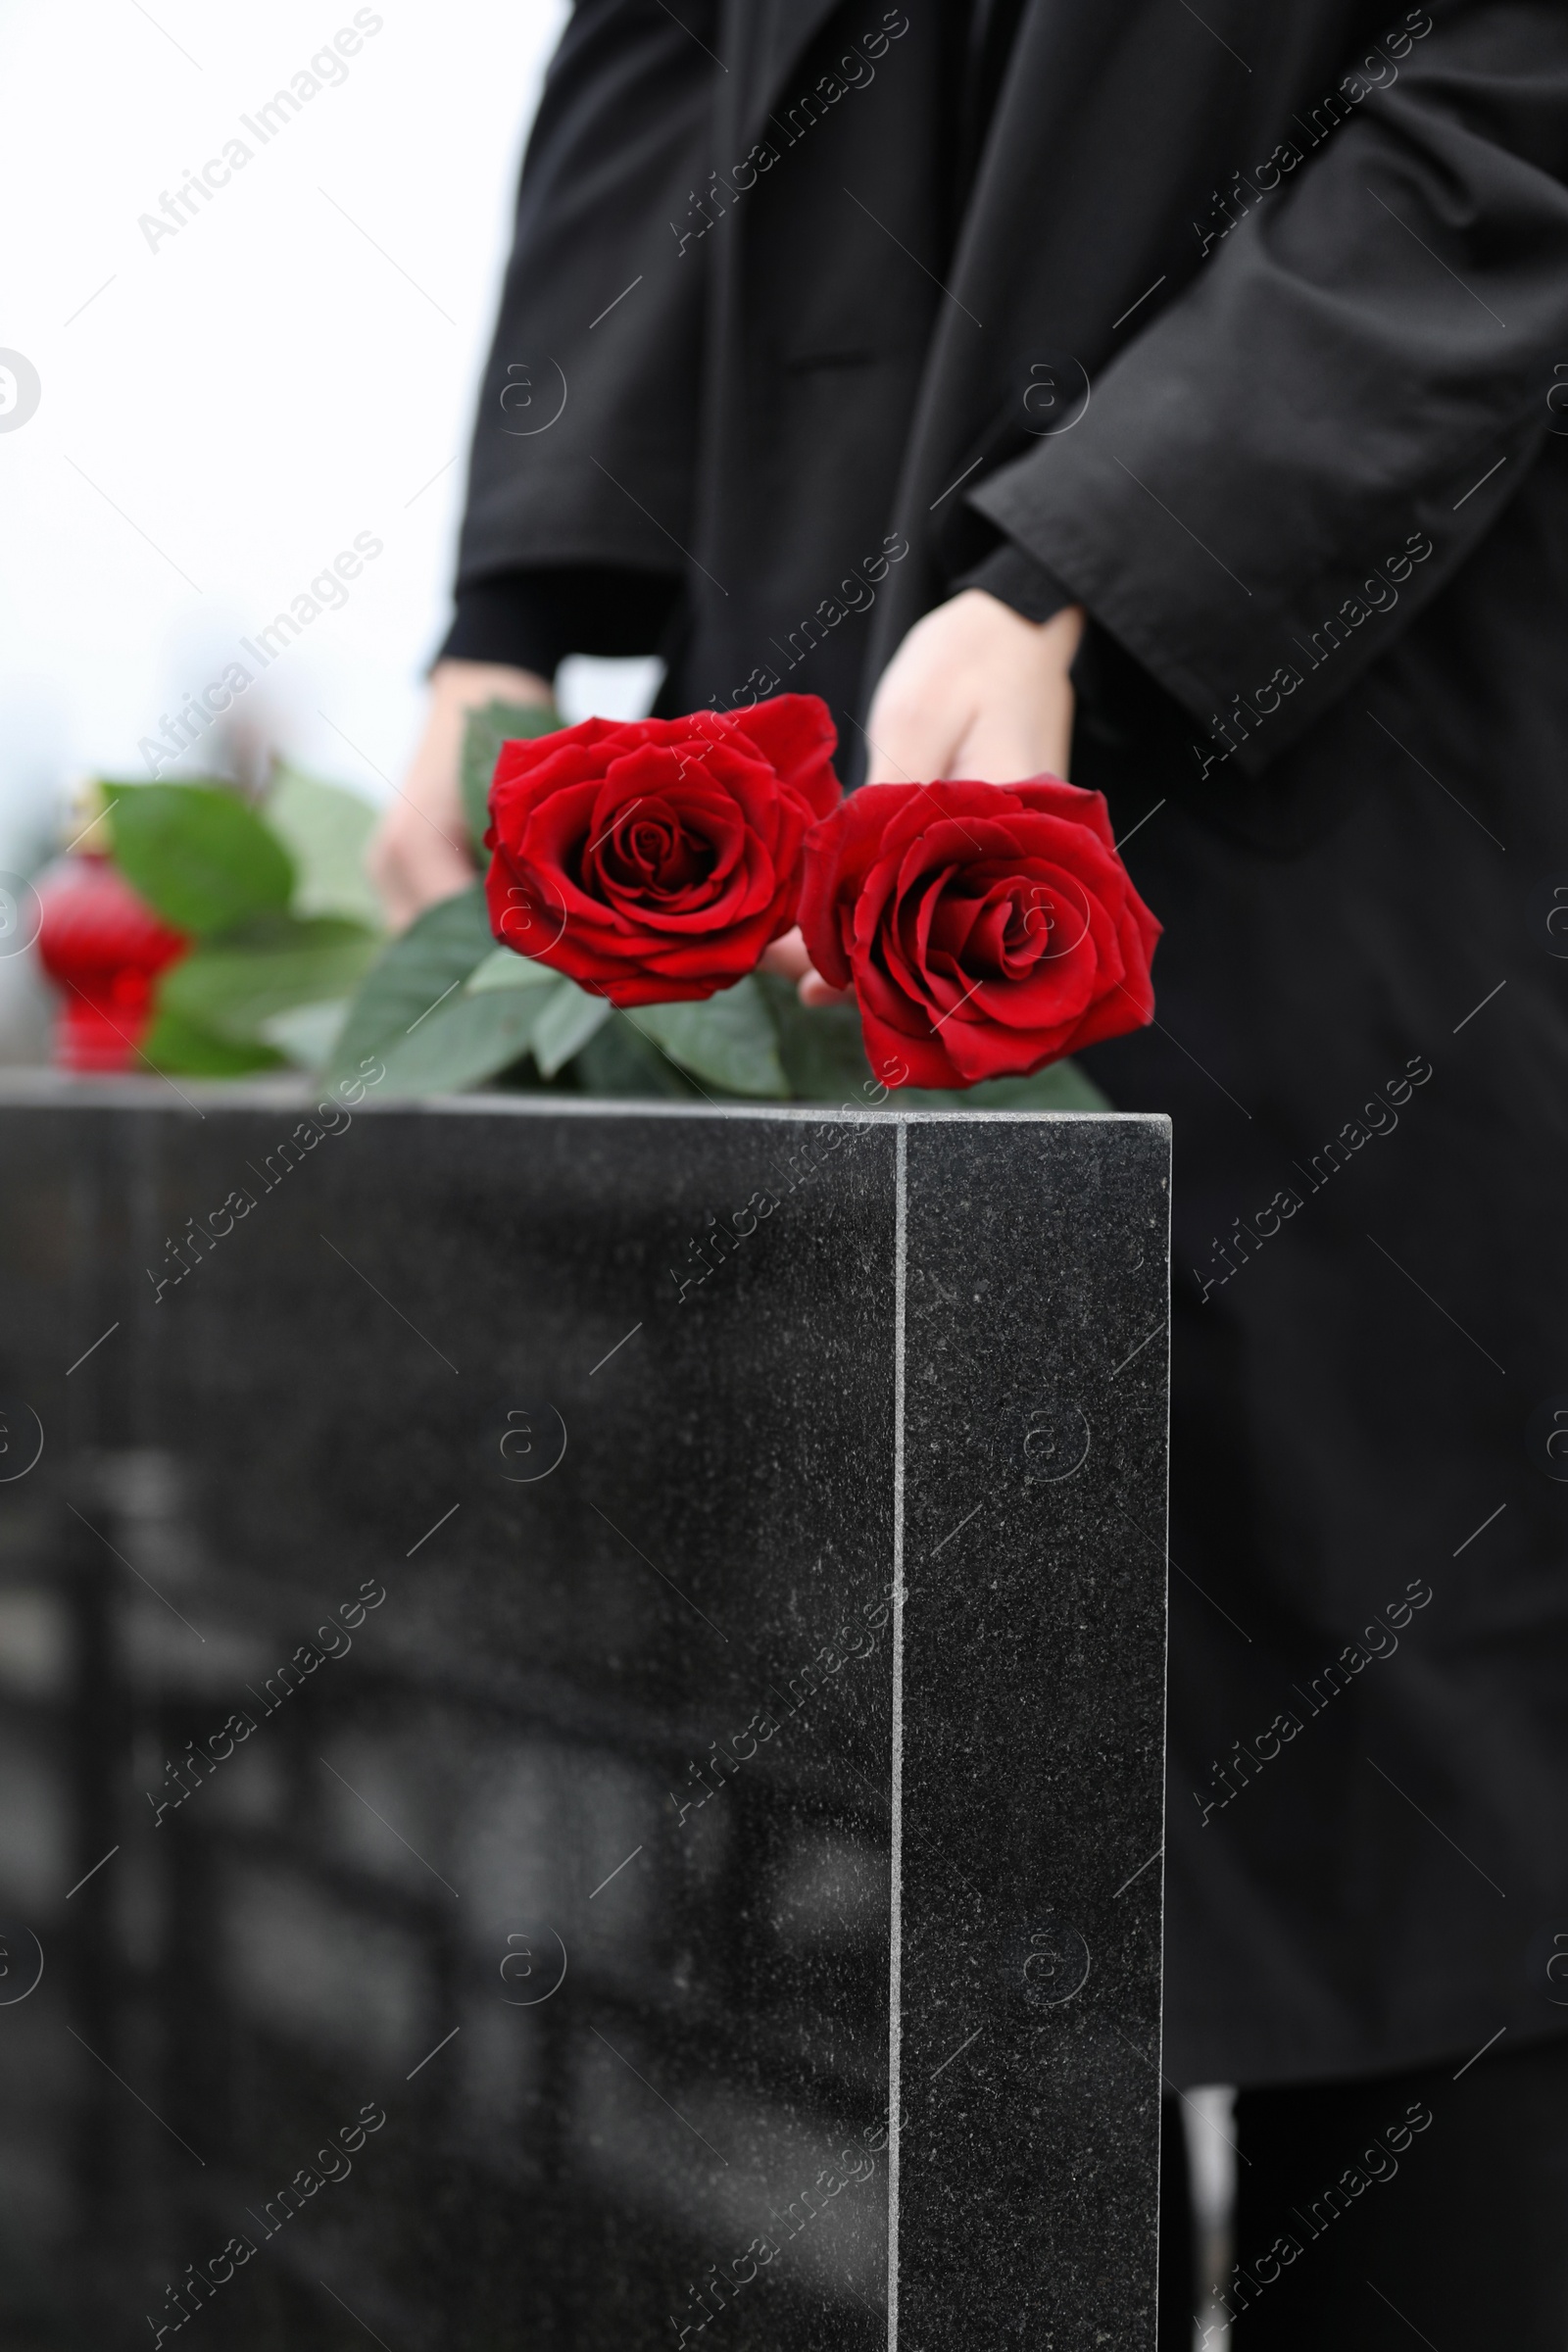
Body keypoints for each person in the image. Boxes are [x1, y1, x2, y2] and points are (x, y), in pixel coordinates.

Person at [369, 3, 1568, 2339]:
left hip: (1380, 733)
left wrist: (1097, 560)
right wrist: (512, 610)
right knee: (927, 1912)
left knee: (1437, 1874)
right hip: (824, 734)